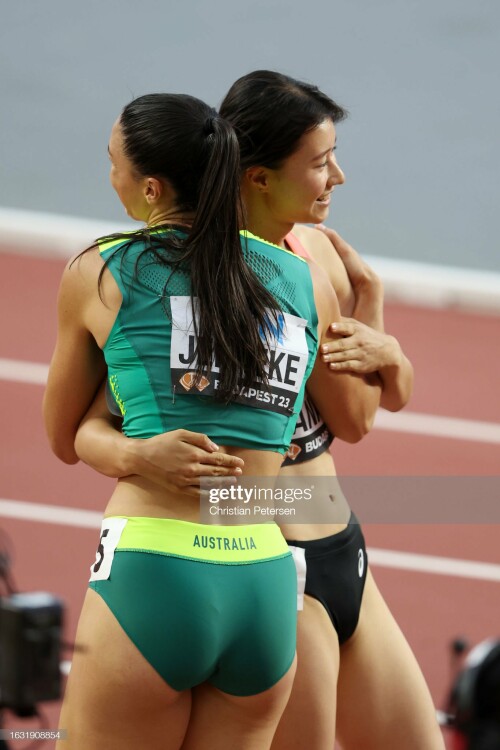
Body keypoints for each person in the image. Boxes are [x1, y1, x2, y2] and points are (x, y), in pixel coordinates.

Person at [74, 71, 445, 749]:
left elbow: (367, 412)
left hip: (339, 544)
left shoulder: (316, 261)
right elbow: (90, 425)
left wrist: (381, 327)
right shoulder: (176, 272)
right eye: (319, 162)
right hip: (266, 561)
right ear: (257, 176)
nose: (337, 176)